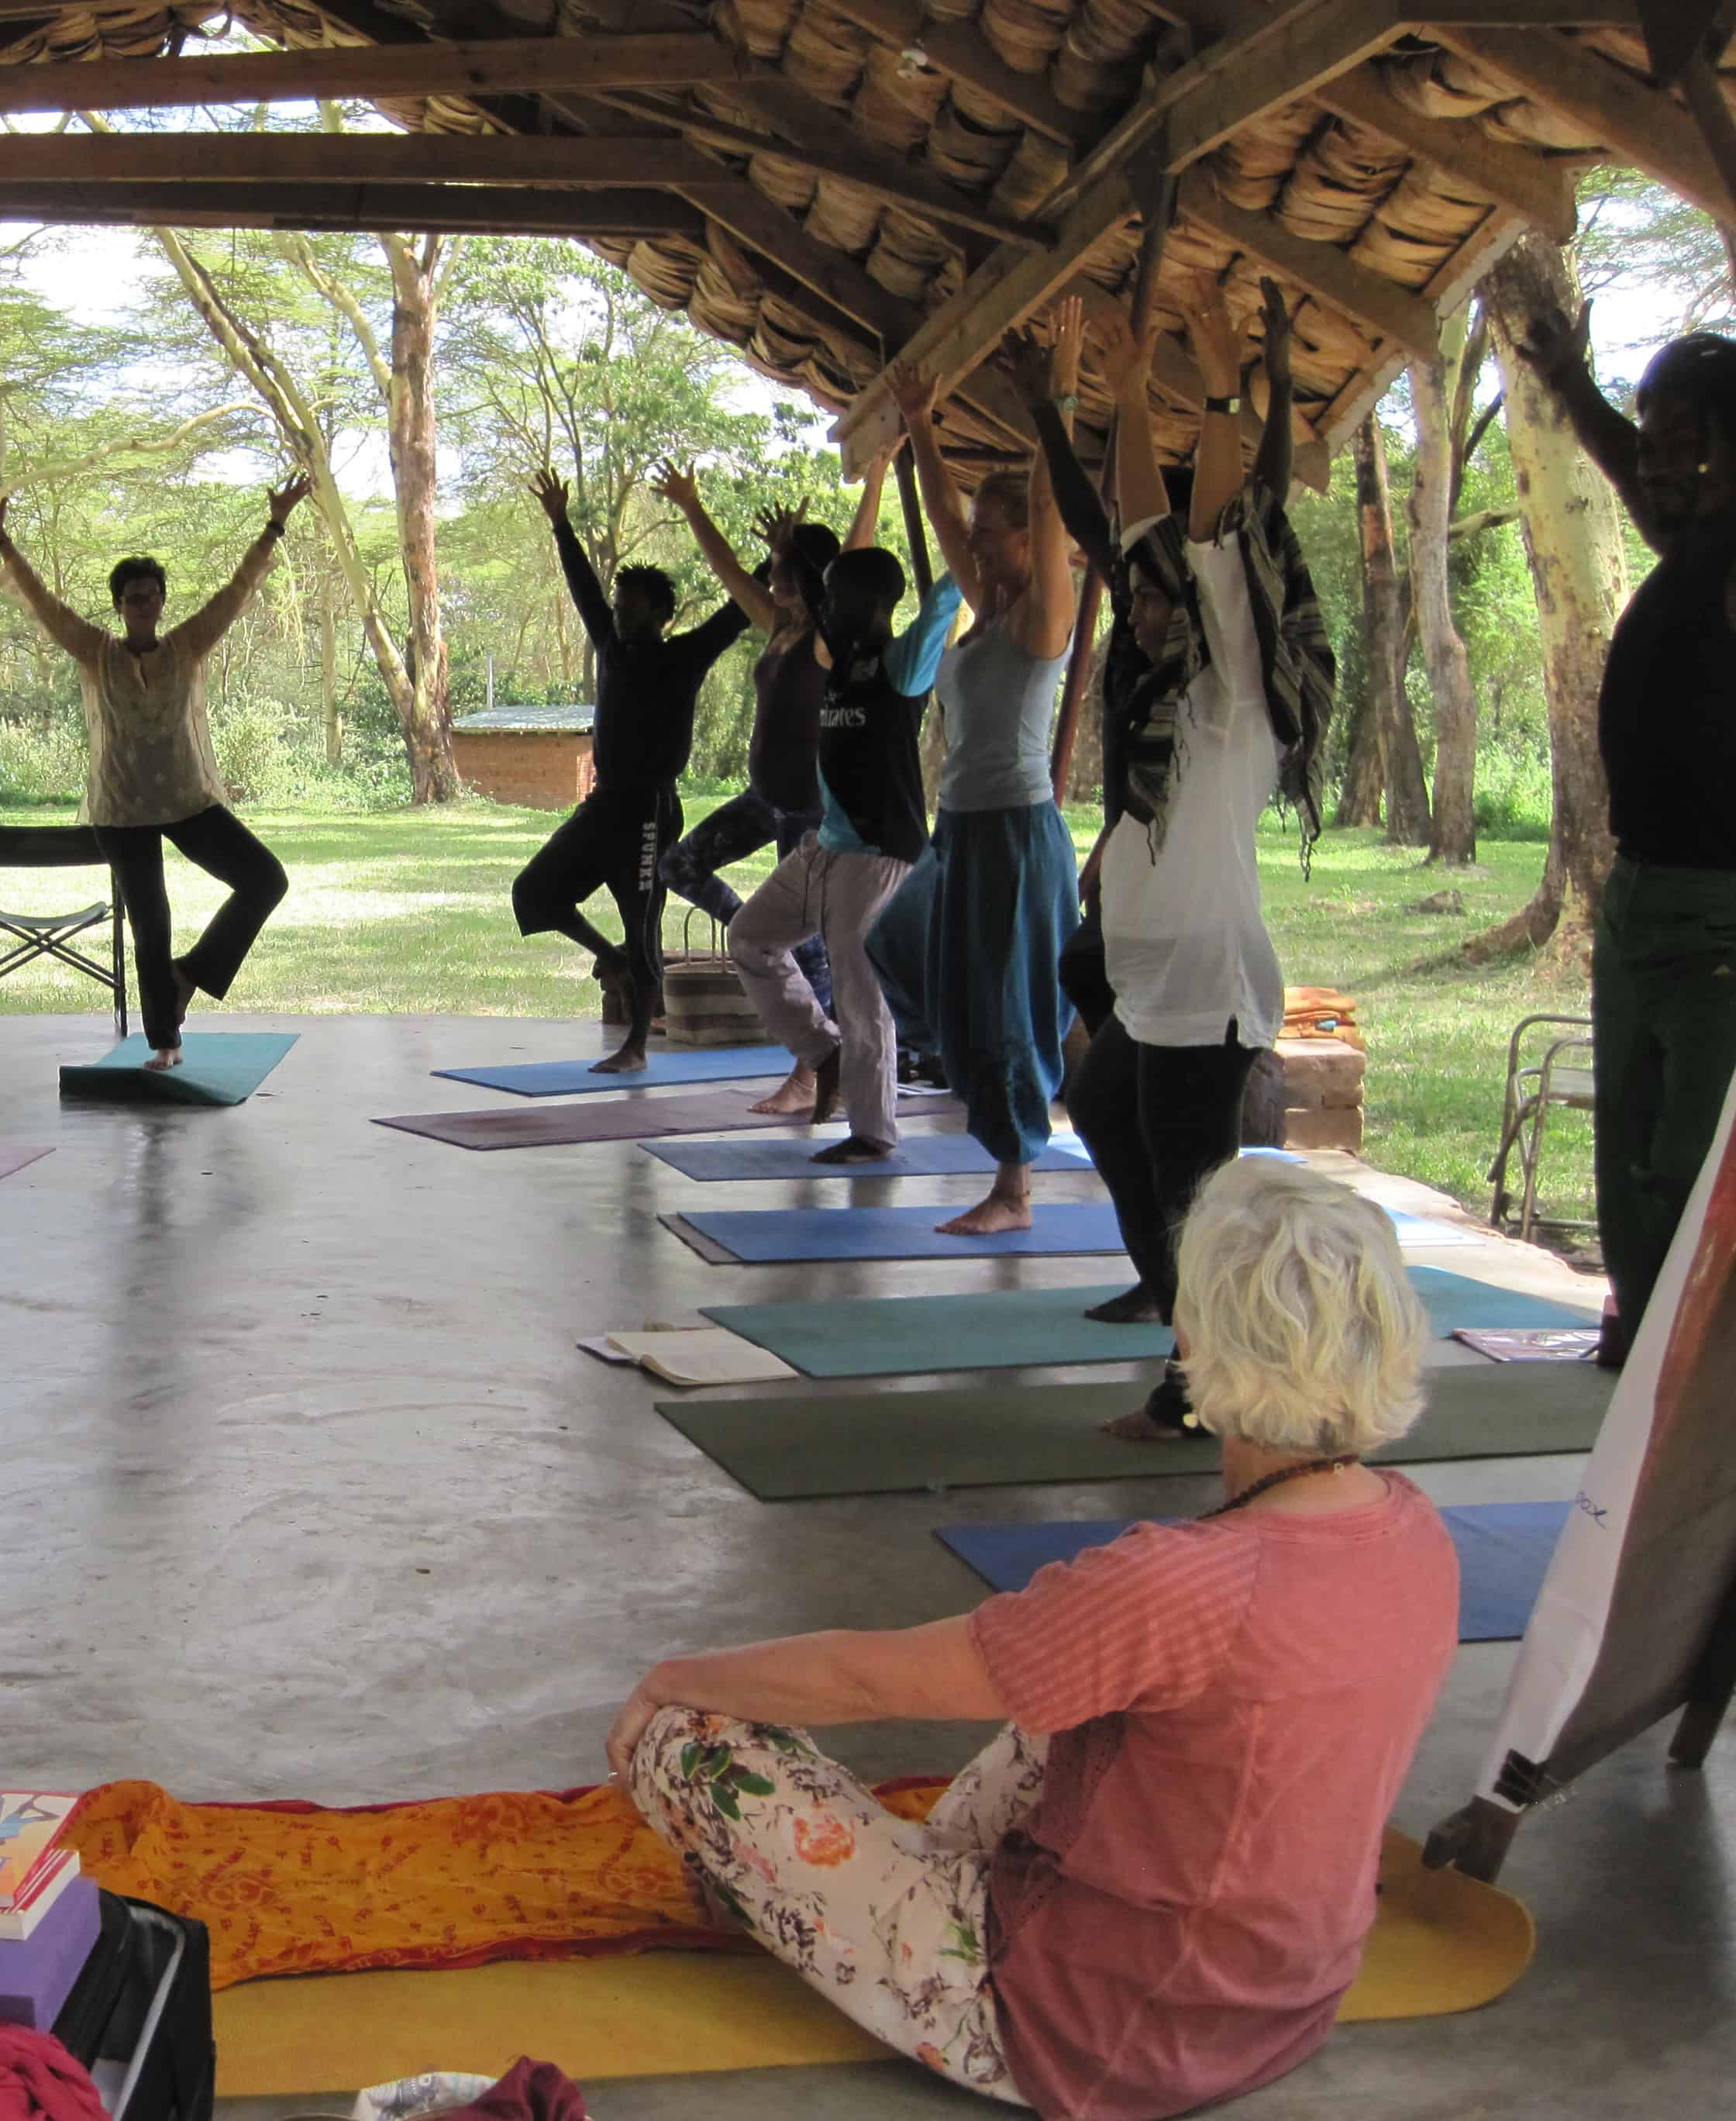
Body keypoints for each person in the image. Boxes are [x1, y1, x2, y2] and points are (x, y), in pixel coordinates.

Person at [610, 1157, 1457, 2120]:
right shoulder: (1416, 1528)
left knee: (687, 1738)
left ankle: (894, 1911)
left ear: (1190, 1338)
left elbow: (862, 1678)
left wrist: (676, 1677)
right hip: (1282, 2009)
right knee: (1067, 1702)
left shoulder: (1176, 1586)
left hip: (1081, 2035)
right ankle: (917, 1887)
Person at [1068, 289, 1333, 1441]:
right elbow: (1143, 534)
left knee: (1192, 1196)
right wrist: (1125, 397)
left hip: (1202, 990)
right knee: (1102, 1109)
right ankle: (1196, 1352)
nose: (1145, 600)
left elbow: (1214, 535)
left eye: (1166, 592)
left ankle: (1207, 1390)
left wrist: (1223, 396)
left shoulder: (1230, 703)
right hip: (1161, 986)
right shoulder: (1172, 697)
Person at [1513, 307, 1736, 1367]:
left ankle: (1691, 1385)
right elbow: (1637, 472)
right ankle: (1648, 1362)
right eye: (1653, 433)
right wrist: (1574, 384)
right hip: (1642, 910)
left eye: (1682, 432)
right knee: (1631, 1184)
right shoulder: (1692, 541)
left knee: (1691, 1181)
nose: (1658, 456)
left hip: (1715, 927)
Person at [0, 477, 308, 1071]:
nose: (142, 605)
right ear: (119, 606)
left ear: (162, 602)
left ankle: (190, 975)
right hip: (122, 811)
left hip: (189, 800)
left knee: (265, 880)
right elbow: (43, 602)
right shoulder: (95, 652)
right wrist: (1, 537)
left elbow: (235, 591)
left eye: (151, 596)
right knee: (152, 920)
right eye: (131, 598)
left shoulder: (187, 646)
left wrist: (274, 524)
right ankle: (164, 1043)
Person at [663, 463, 958, 1147]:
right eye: (832, 596)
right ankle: (821, 1054)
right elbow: (804, 586)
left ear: (879, 606)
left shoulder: (902, 663)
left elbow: (947, 596)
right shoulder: (827, 647)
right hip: (824, 843)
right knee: (752, 937)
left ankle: (874, 1130)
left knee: (862, 994)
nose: (834, 605)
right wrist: (788, 549)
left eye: (848, 597)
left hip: (878, 852)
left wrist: (986, 543)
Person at [874, 318, 1083, 1233]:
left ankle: (1014, 1190)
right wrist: (919, 423)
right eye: (985, 535)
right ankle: (1037, 1079)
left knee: (1006, 1011)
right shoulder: (986, 614)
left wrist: (1057, 389)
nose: (983, 545)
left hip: (1015, 834)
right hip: (958, 831)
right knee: (895, 950)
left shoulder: (1044, 623)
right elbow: (941, 517)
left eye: (997, 535)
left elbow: (1047, 503)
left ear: (1029, 546)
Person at [516, 467, 753, 1073]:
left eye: (634, 608)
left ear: (662, 615)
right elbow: (583, 591)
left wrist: (778, 561)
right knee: (534, 893)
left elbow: (738, 611)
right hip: (604, 805)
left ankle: (638, 1046)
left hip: (650, 809)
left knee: (641, 920)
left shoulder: (685, 657)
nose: (620, 614)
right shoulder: (609, 646)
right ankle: (612, 960)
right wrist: (561, 524)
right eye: (620, 606)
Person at [657, 470, 897, 1054]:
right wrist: (692, 505)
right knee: (679, 867)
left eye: (785, 576)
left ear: (811, 583)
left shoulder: (826, 639)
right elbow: (729, 573)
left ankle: (819, 1057)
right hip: (765, 799)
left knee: (815, 945)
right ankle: (775, 962)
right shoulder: (777, 628)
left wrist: (877, 476)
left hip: (808, 810)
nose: (774, 583)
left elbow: (849, 558)